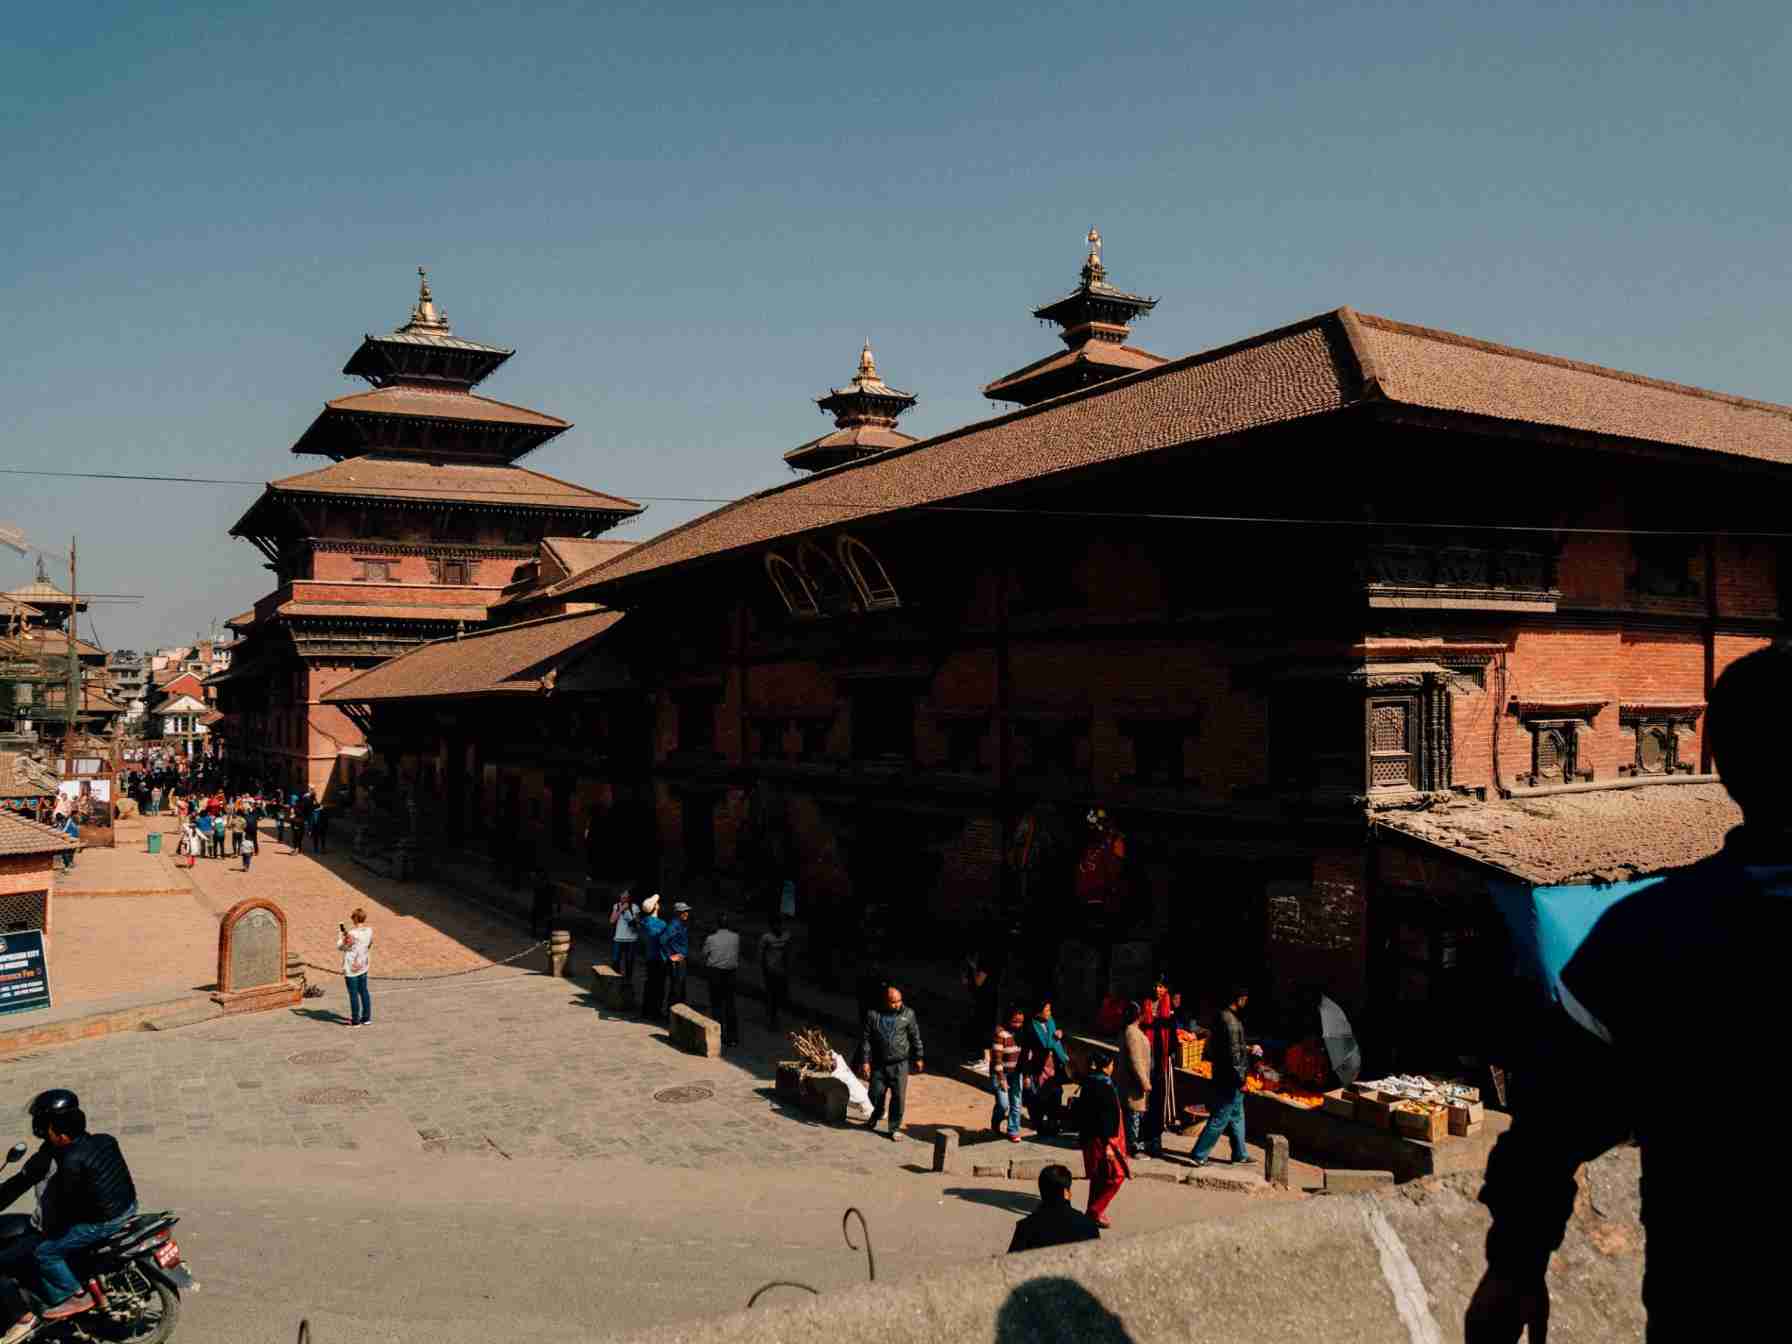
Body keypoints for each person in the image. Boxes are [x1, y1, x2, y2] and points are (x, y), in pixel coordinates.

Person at [1467, 645, 1792, 1344]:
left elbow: (1556, 1115)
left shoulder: (1653, 934)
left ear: (1720, 762)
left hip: (1710, 1300)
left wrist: (1514, 1266)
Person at [0, 1091, 138, 1341]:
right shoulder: (104, 1140)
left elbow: (60, 1206)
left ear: (55, 1128)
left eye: (43, 1123)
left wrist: (48, 1231)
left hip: (101, 1221)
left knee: (43, 1251)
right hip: (127, 1207)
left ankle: (65, 1299)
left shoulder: (65, 1161)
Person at [1191, 985, 1260, 1167]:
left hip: (1225, 1074)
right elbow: (1233, 1055)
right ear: (1239, 999)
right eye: (1244, 998)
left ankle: (1240, 1153)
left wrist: (1248, 1049)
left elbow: (1230, 1049)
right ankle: (1199, 1153)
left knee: (1237, 1115)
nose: (1246, 1001)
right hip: (1229, 1078)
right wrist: (1241, 1080)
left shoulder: (1224, 1017)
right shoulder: (1230, 1022)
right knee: (1221, 1116)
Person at [1069, 1049, 1128, 1229]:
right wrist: (1109, 1145)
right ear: (1105, 1067)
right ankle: (1094, 1211)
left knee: (1098, 1177)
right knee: (1117, 1175)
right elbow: (1104, 1117)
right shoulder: (1102, 1086)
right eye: (1111, 1064)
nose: (1113, 1067)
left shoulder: (1091, 1082)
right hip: (1102, 1139)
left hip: (1092, 1138)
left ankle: (1094, 1209)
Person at [858, 983, 924, 1141]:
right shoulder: (873, 1015)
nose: (897, 1004)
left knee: (898, 1097)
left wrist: (919, 1056)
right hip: (879, 1064)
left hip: (900, 1064)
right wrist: (865, 1061)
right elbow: (866, 1040)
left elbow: (915, 1037)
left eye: (899, 1001)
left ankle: (894, 1128)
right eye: (893, 1002)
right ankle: (878, 1112)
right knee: (874, 1094)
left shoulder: (908, 1014)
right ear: (885, 1001)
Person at [1006, 1163, 1101, 1254]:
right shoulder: (1089, 1225)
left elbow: (1010, 1263)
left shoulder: (1025, 1228)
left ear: (1042, 1191)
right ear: (1066, 1192)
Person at [1140, 974, 1179, 1155]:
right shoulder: (1144, 1005)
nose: (1158, 990)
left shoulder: (1170, 1008)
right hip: (1146, 1055)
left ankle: (1156, 1138)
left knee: (1158, 1098)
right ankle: (1143, 1136)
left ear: (1166, 990)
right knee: (1144, 1097)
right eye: (1156, 986)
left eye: (1162, 987)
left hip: (1162, 1059)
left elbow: (1172, 1035)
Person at [1022, 997, 1072, 1137]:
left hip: (1052, 1064)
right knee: (1040, 1095)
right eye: (1047, 1010)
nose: (1049, 1012)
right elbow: (1029, 1051)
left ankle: (1053, 1122)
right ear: (1038, 1013)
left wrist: (1060, 1034)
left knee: (1056, 1093)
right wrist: (1026, 1074)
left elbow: (1055, 1042)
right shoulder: (1030, 1027)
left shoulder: (1051, 1022)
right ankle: (1039, 1122)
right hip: (1038, 1065)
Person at [701, 910, 741, 1048]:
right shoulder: (736, 937)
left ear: (717, 924)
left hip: (715, 973)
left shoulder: (711, 939)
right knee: (730, 1005)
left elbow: (704, 954)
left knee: (716, 1005)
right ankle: (732, 1037)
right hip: (730, 973)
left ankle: (717, 1035)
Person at [1119, 1000, 1152, 1158]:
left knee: (1134, 1115)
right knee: (1134, 1117)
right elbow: (1135, 1060)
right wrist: (1144, 1081)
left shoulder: (1132, 1031)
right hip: (1134, 1083)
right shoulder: (1132, 1033)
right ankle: (1134, 1148)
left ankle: (1132, 1145)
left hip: (1133, 1082)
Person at [990, 1006, 1027, 1143]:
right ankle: (996, 1121)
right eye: (1015, 1022)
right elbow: (997, 1059)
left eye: (1020, 1022)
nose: (1018, 1025)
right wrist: (1001, 1079)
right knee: (1003, 1104)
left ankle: (1013, 1130)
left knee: (1016, 1103)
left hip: (1016, 1073)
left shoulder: (1022, 1034)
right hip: (1001, 1073)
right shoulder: (1000, 1034)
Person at [338, 908, 373, 1028]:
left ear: (355, 918)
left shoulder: (352, 933)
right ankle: (366, 1018)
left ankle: (355, 1020)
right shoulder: (369, 930)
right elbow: (369, 944)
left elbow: (342, 947)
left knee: (353, 994)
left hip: (351, 967)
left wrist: (342, 937)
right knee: (364, 991)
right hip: (363, 965)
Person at [759, 912, 792, 1028]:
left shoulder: (786, 936)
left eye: (780, 924)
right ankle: (772, 1019)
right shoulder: (766, 938)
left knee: (779, 995)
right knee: (772, 995)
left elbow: (788, 952)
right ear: (771, 926)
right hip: (770, 970)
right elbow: (761, 954)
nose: (779, 927)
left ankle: (774, 1015)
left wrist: (787, 968)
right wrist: (764, 969)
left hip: (781, 970)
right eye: (776, 925)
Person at [638, 895, 668, 1021]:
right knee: (659, 986)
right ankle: (656, 1011)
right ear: (655, 907)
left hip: (649, 956)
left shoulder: (644, 922)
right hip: (660, 958)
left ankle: (646, 1010)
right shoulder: (661, 924)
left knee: (649, 983)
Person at [663, 902, 692, 1016]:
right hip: (677, 961)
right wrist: (670, 955)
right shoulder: (674, 925)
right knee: (676, 989)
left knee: (680, 988)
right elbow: (663, 939)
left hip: (681, 959)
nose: (686, 913)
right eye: (684, 911)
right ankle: (672, 1014)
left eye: (687, 911)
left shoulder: (680, 924)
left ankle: (677, 1014)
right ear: (678, 913)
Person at [608, 888, 641, 987]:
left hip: (631, 939)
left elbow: (637, 924)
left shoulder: (635, 907)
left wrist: (630, 914)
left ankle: (627, 983)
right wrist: (621, 910)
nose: (624, 898)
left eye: (626, 897)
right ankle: (616, 982)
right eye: (622, 896)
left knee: (629, 962)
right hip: (618, 938)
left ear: (629, 898)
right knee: (615, 961)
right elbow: (612, 921)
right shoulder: (616, 906)